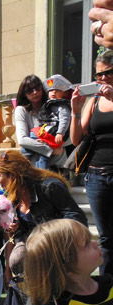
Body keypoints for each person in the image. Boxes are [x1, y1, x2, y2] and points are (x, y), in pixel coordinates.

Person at [0, 150, 87, 283]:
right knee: (17, 261)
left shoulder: (49, 187)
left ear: (12, 175)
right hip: (36, 249)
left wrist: (52, 235)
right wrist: (16, 228)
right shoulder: (14, 195)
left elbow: (76, 218)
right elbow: (26, 229)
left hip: (58, 246)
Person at [70, 49, 113, 275]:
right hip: (97, 175)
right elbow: (76, 139)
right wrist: (75, 111)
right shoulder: (94, 101)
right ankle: (108, 288)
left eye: (108, 73)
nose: (103, 79)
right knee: (106, 237)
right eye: (99, 75)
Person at [15, 75, 66, 169]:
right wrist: (49, 150)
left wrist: (58, 146)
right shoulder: (21, 110)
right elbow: (22, 139)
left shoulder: (53, 106)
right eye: (29, 90)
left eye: (38, 88)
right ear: (24, 94)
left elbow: (66, 131)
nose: (35, 92)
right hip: (36, 166)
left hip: (58, 164)